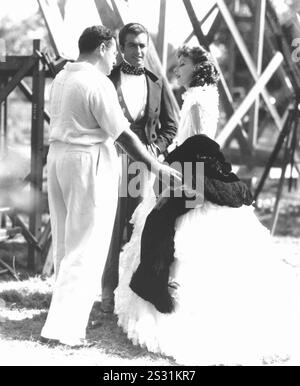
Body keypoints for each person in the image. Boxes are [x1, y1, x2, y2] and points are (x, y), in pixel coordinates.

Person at [114, 45, 300, 365]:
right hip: (189, 163)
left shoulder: (200, 97)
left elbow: (199, 145)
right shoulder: (202, 93)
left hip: (193, 169)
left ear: (198, 66)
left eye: (182, 64)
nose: (177, 70)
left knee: (170, 228)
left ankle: (173, 306)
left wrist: (183, 182)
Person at [40, 25, 181, 347]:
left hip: (59, 157)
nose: (116, 57)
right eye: (115, 50)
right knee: (87, 246)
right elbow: (124, 134)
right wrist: (154, 165)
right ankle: (65, 330)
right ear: (103, 47)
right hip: (87, 161)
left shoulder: (63, 76)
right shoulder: (97, 81)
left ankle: (59, 321)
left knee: (66, 243)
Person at [101, 22, 178, 313]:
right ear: (121, 48)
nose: (138, 50)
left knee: (140, 227)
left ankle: (132, 297)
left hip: (143, 166)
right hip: (109, 160)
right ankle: (107, 293)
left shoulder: (156, 82)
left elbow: (171, 125)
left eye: (143, 45)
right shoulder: (106, 78)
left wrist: (155, 149)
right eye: (132, 45)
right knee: (110, 225)